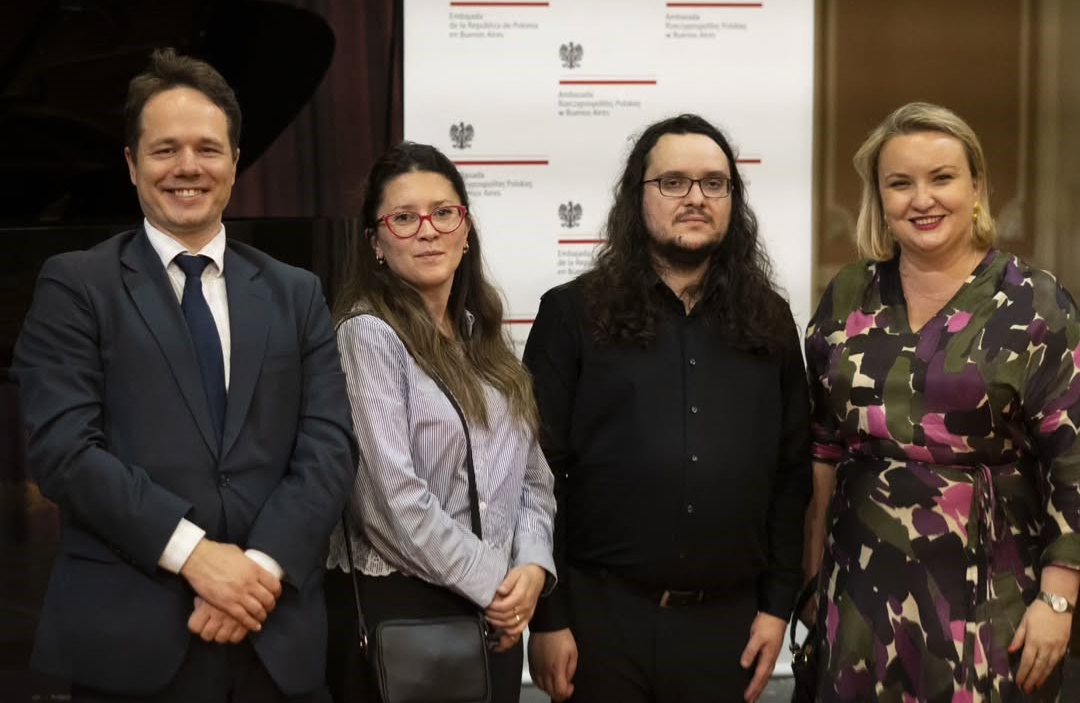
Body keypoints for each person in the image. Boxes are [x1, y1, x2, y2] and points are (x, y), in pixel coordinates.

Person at [12, 48, 357, 702]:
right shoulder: (76, 285)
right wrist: (196, 556)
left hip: (273, 632)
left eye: (207, 148)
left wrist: (256, 572)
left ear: (235, 161)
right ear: (131, 164)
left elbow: (329, 449)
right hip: (130, 642)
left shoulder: (297, 291)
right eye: (165, 149)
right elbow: (64, 451)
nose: (188, 167)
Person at [523, 113, 812, 703]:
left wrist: (777, 607)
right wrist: (548, 618)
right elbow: (537, 473)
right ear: (638, 196)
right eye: (673, 182)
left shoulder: (770, 320)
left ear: (733, 200)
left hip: (727, 628)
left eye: (714, 183)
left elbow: (791, 474)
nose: (696, 198)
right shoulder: (571, 314)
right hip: (601, 623)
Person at [804, 102, 1080, 702]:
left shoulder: (1036, 303)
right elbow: (823, 449)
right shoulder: (849, 292)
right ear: (879, 198)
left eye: (942, 178)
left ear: (976, 187)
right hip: (858, 600)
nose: (922, 199)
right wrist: (811, 582)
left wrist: (1059, 599)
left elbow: (1073, 462)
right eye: (900, 183)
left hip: (992, 603)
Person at [324, 141, 557, 703]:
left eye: (443, 213)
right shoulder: (367, 334)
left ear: (466, 230)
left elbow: (534, 480)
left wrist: (531, 568)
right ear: (376, 243)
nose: (427, 231)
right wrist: (494, 583)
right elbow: (389, 504)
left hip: (494, 619)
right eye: (404, 218)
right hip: (406, 616)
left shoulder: (483, 338)